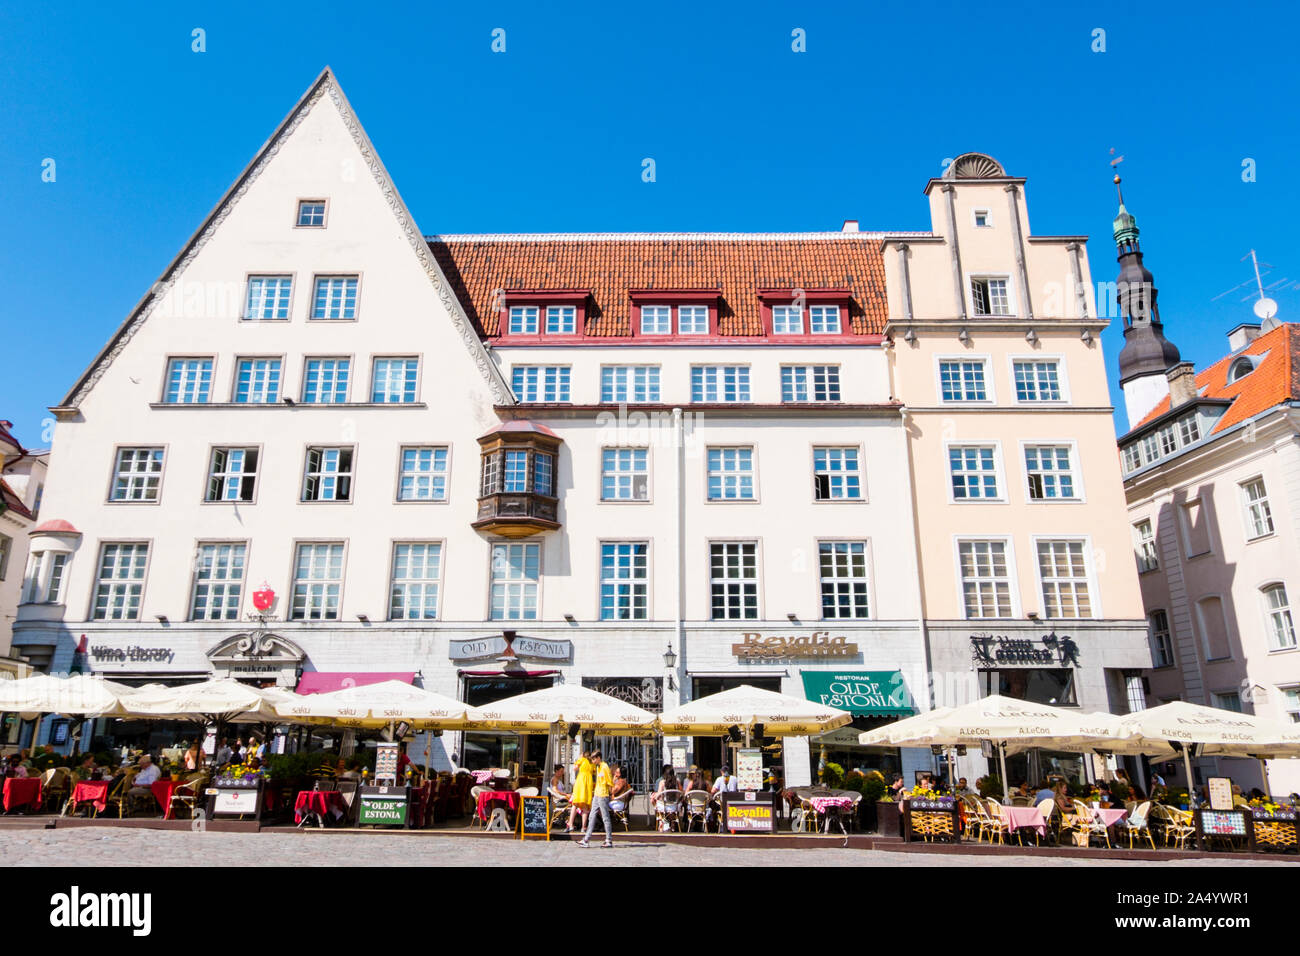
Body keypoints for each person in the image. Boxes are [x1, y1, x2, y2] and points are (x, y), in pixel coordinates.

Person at [576, 750, 614, 848]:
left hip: (603, 794)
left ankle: (609, 839)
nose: (592, 761)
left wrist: (610, 795)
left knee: (605, 817)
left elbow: (609, 782)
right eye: (592, 759)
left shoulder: (605, 767)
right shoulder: (598, 767)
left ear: (598, 758)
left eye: (594, 759)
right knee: (592, 816)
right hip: (597, 794)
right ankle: (586, 839)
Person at [567, 751, 593, 833]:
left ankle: (570, 823)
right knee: (585, 806)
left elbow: (575, 768)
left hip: (580, 782)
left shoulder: (581, 760)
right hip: (588, 783)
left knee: (575, 803)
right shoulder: (591, 763)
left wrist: (578, 760)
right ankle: (583, 827)